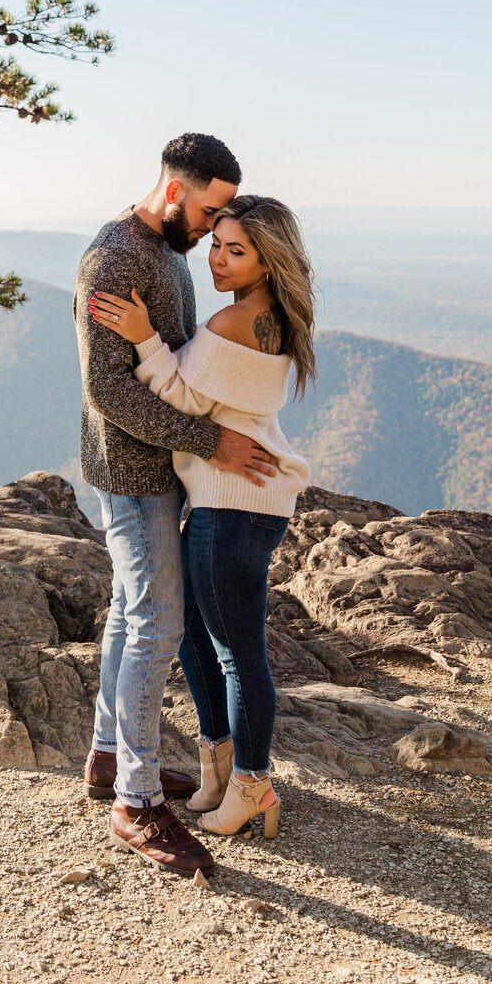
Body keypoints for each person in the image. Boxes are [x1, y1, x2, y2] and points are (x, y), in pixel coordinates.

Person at [73, 136, 278, 878]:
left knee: (133, 614)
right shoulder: (118, 259)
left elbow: (175, 355)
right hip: (133, 472)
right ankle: (135, 799)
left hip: (161, 465)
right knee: (159, 623)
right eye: (209, 210)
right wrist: (209, 441)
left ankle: (107, 759)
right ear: (172, 189)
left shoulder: (168, 249)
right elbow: (109, 388)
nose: (213, 227)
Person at [89, 194, 315, 841]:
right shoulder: (270, 316)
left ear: (267, 261)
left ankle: (252, 784)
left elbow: (182, 399)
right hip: (237, 507)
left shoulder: (234, 323)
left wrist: (143, 340)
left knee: (238, 655)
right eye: (216, 243)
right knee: (197, 640)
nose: (217, 258)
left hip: (231, 508)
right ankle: (219, 772)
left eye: (235, 250)